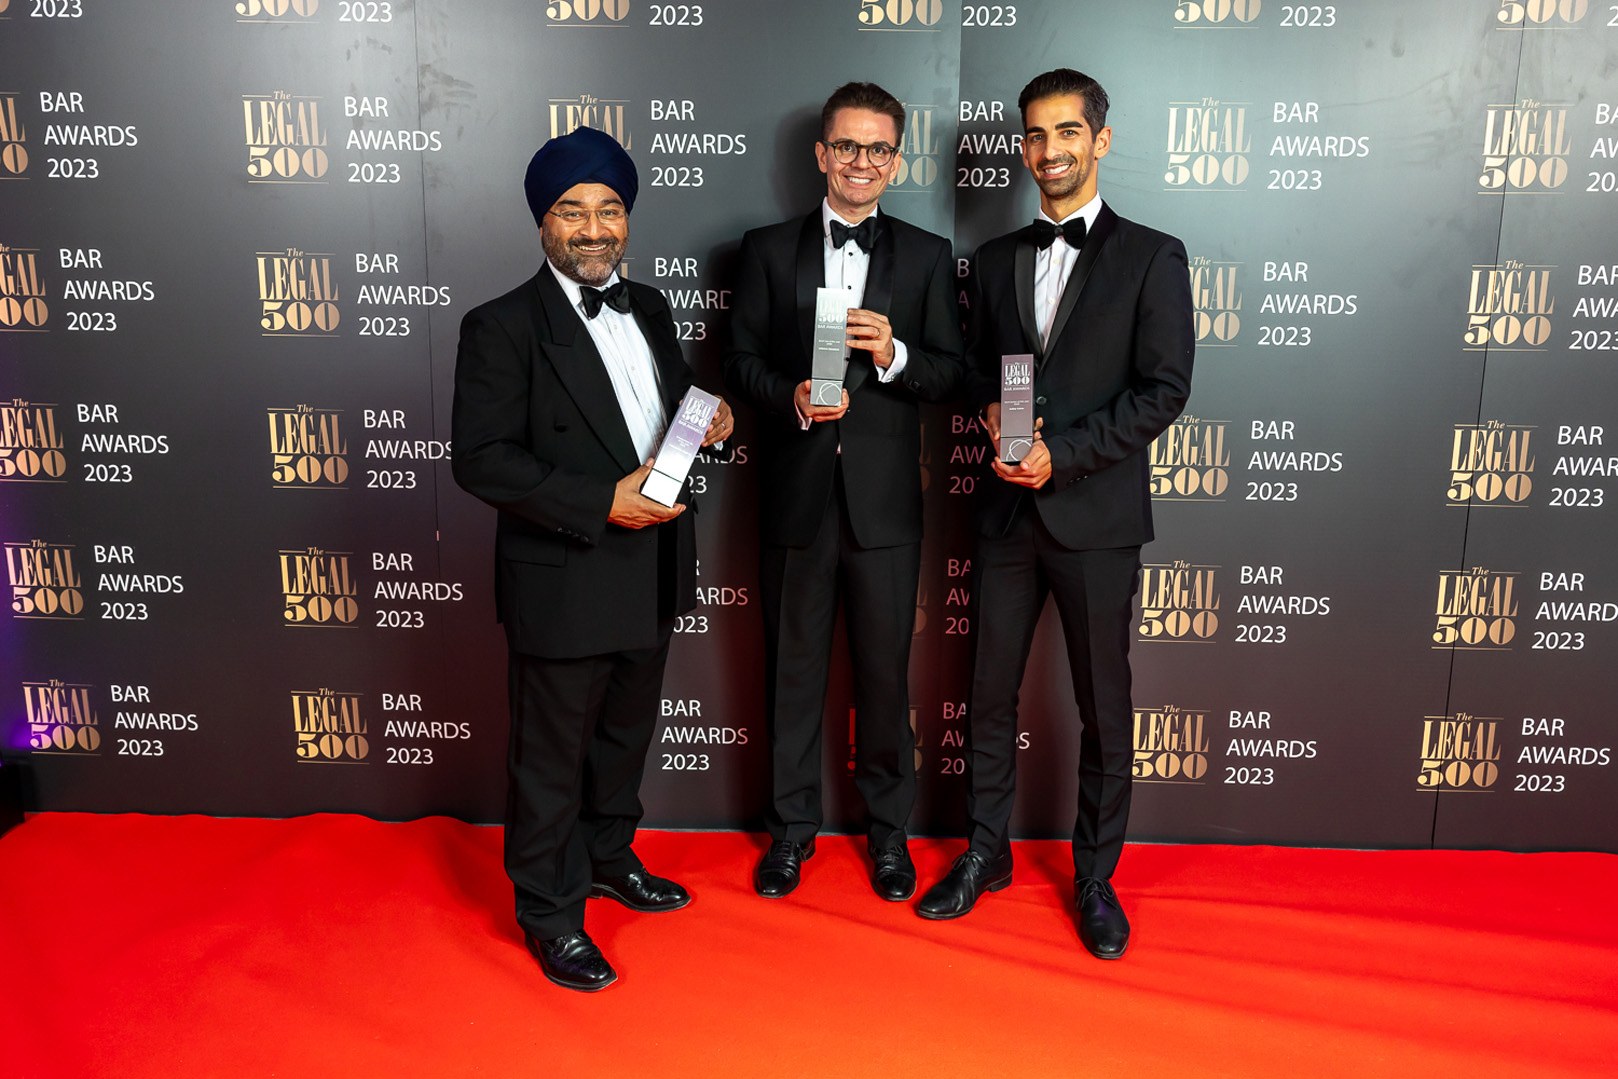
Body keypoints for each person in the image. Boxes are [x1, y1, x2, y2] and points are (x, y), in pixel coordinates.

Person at [915, 69, 1194, 960]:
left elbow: (1164, 390)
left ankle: (1096, 877)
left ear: (1100, 140)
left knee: (1104, 705)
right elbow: (979, 369)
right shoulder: (997, 258)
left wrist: (1062, 454)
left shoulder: (1153, 255)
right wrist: (991, 415)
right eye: (1035, 135)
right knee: (986, 695)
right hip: (1005, 514)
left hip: (1096, 517)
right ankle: (985, 851)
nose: (1050, 150)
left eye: (1067, 132)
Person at [451, 125, 732, 991]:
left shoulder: (650, 306)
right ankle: (549, 910)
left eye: (609, 209)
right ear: (543, 221)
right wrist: (599, 500)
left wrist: (711, 423)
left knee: (622, 739)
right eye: (572, 210)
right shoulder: (501, 325)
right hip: (567, 573)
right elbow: (481, 459)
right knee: (550, 757)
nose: (594, 228)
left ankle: (609, 856)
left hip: (654, 564)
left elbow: (668, 407)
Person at [723, 82, 966, 902]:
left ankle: (888, 836)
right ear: (822, 153)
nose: (862, 161)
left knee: (885, 680)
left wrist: (897, 355)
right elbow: (739, 361)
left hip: (886, 507)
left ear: (896, 161)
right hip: (795, 498)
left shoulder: (928, 255)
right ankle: (790, 835)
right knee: (791, 676)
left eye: (879, 149)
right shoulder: (764, 250)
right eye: (848, 146)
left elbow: (953, 374)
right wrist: (788, 393)